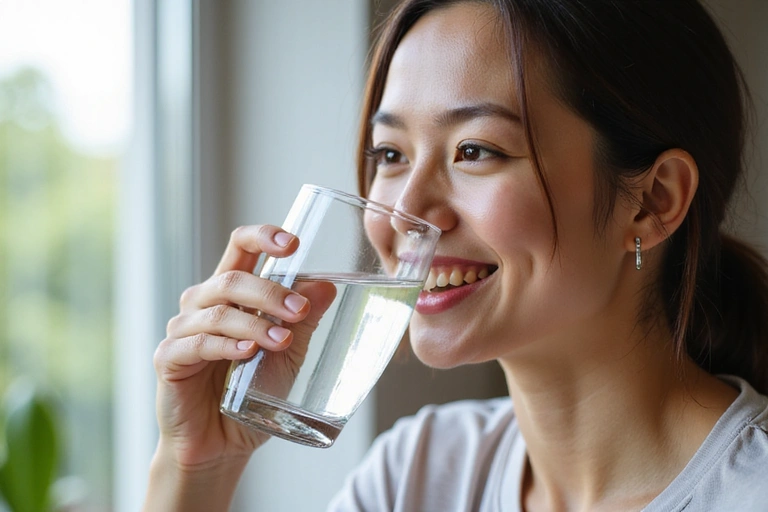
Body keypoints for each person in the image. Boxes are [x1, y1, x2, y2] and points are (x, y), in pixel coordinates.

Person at [143, 0, 768, 510]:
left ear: (653, 201)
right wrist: (196, 467)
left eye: (476, 150)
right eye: (390, 155)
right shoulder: (417, 476)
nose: (410, 213)